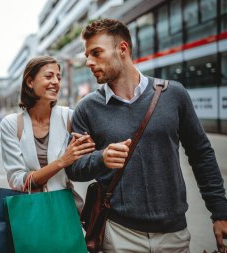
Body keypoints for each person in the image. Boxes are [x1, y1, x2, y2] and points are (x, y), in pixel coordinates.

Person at [65, 18, 227, 252]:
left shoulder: (174, 94)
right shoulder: (87, 108)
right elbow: (74, 167)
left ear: (122, 49)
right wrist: (102, 158)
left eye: (96, 53)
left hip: (174, 234)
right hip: (119, 234)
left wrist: (220, 212)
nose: (89, 62)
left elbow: (201, 155)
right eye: (87, 55)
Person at [0, 56, 95, 209]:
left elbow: (84, 163)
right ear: (30, 82)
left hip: (65, 208)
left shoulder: (69, 117)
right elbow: (17, 181)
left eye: (58, 77)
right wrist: (62, 161)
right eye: (49, 76)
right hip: (30, 211)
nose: (56, 82)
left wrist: (88, 150)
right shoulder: (11, 124)